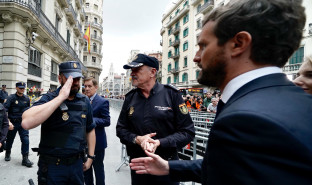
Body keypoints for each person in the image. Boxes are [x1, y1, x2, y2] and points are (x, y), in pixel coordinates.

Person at [129, 0, 312, 184]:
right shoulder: (298, 101)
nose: (196, 57)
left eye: (204, 46)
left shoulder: (245, 120)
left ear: (238, 43)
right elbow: (228, 165)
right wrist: (169, 167)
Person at [116, 54, 195, 185]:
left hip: (167, 166)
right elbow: (121, 129)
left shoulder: (172, 94)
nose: (132, 74)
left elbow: (187, 132)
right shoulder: (130, 98)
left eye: (136, 70)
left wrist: (160, 142)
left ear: (152, 72)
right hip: (139, 166)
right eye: (131, 70)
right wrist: (138, 139)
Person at [21, 61, 96, 185]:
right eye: (71, 78)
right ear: (60, 78)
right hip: (52, 167)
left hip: (77, 165)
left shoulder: (84, 101)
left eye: (77, 78)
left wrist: (91, 158)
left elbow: (90, 129)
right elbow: (26, 123)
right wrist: (60, 98)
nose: (75, 82)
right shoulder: (50, 98)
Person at [83, 77, 111, 185]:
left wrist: (91, 120)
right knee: (86, 170)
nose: (87, 88)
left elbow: (107, 121)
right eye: (85, 86)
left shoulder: (103, 101)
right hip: (84, 143)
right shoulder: (82, 100)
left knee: (98, 169)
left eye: (89, 86)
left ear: (96, 87)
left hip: (98, 143)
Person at [3, 82, 33, 167]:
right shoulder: (11, 98)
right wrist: (8, 122)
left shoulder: (26, 98)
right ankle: (8, 152)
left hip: (23, 123)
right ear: (16, 88)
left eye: (23, 88)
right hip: (13, 122)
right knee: (10, 140)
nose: (22, 90)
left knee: (25, 140)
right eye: (20, 88)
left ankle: (25, 158)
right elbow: (4, 110)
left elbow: (28, 110)